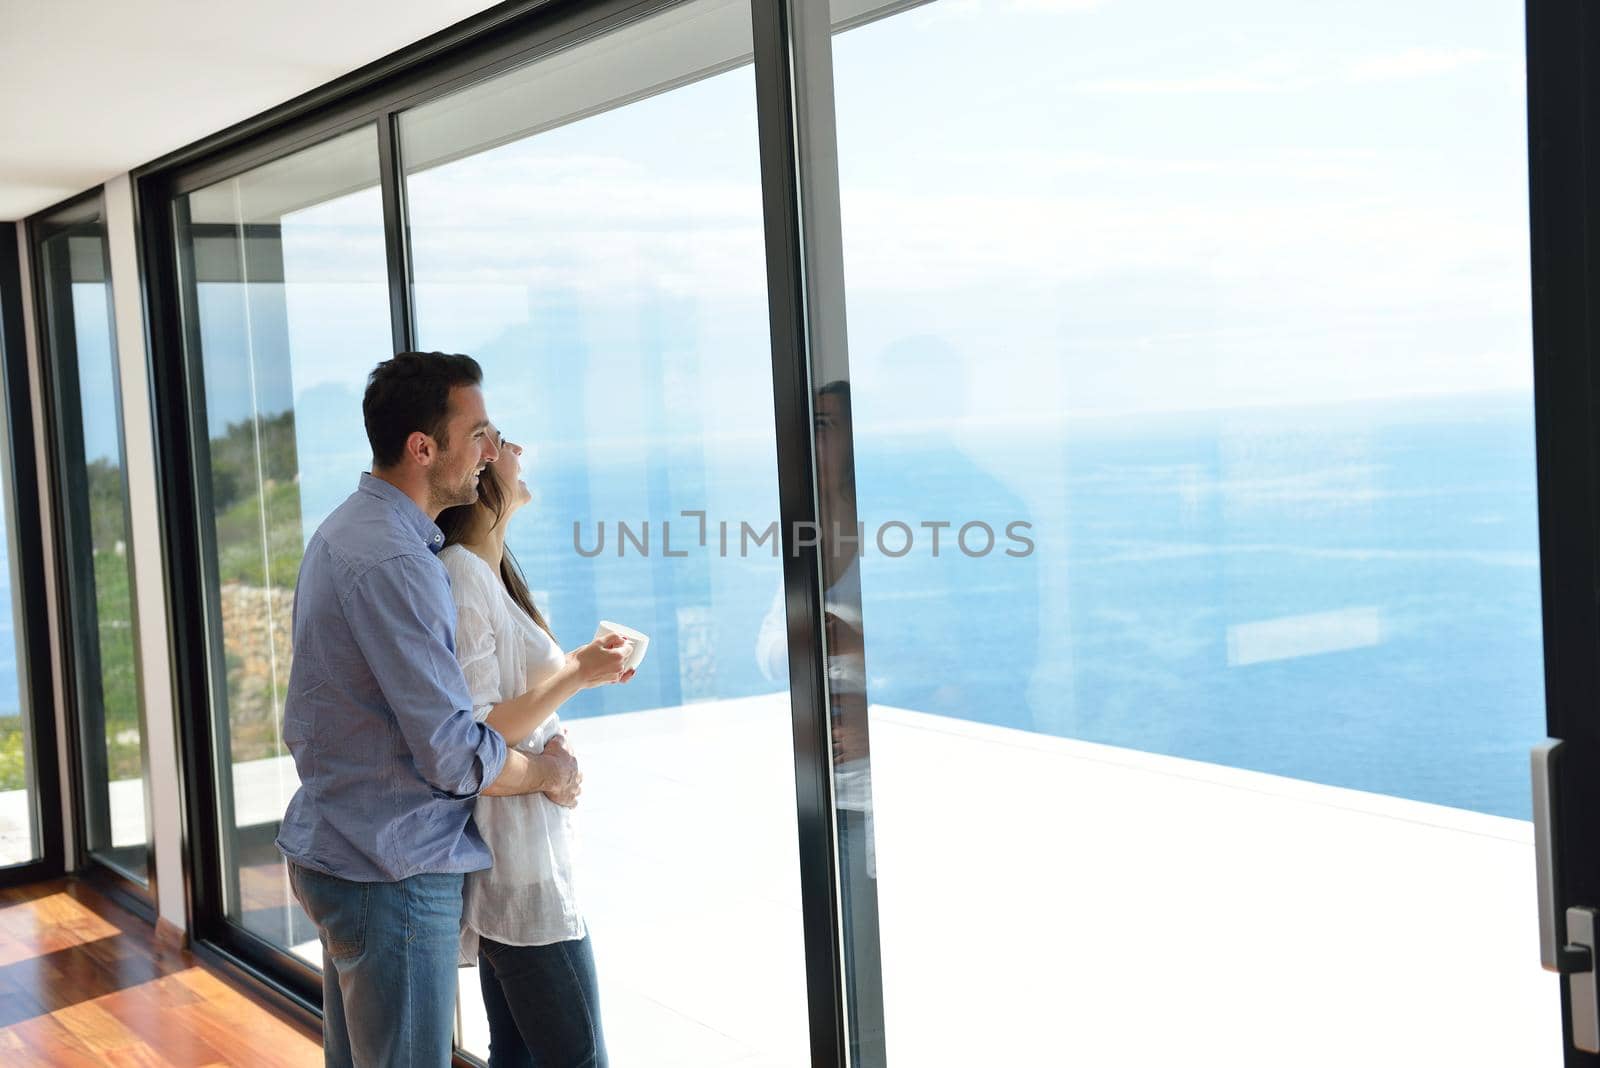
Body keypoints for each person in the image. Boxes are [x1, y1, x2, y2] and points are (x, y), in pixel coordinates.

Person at [277, 351, 615, 1068]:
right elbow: (456, 754)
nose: (490, 452)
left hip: (342, 845)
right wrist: (548, 774)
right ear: (423, 447)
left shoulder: (348, 531)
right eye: (479, 433)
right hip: (389, 868)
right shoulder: (402, 564)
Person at [435, 426, 631, 1068]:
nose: (516, 450)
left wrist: (580, 670)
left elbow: (506, 703)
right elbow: (481, 728)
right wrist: (576, 675)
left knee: (517, 1056)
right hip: (521, 874)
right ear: (485, 474)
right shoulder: (463, 574)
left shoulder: (487, 571)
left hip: (519, 865)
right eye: (502, 441)